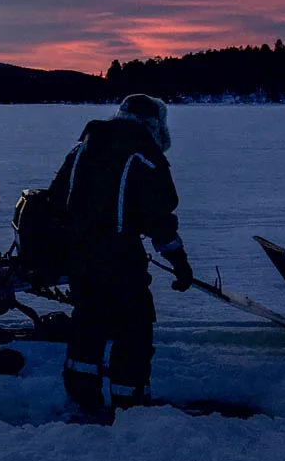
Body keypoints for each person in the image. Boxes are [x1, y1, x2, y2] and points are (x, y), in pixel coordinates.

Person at [47, 94, 194, 414]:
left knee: (88, 322)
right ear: (154, 124)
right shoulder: (144, 155)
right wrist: (179, 261)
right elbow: (160, 218)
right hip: (119, 257)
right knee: (133, 327)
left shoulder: (83, 147)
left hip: (81, 256)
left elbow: (56, 200)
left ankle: (82, 398)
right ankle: (131, 402)